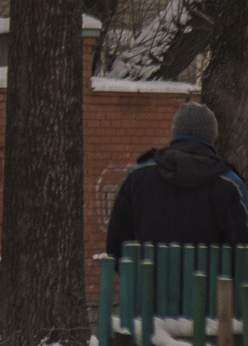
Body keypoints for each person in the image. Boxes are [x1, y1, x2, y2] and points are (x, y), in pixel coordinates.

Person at [104, 100, 248, 256]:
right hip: (210, 279)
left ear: (175, 133)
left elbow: (116, 243)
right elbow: (241, 248)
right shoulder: (230, 184)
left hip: (148, 279)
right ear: (211, 136)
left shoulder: (138, 176)